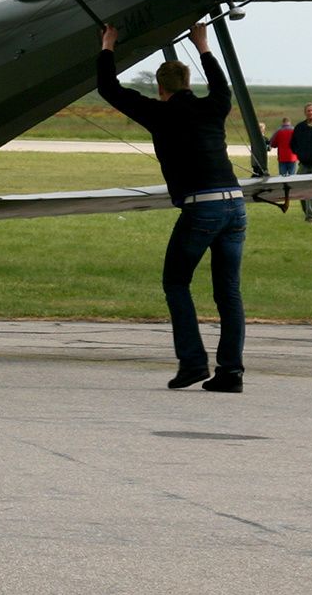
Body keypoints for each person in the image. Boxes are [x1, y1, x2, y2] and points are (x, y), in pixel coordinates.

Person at [97, 22, 245, 393]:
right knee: (228, 291)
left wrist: (108, 44)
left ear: (161, 88)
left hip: (201, 208)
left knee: (177, 283)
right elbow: (222, 86)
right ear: (188, 83)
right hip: (235, 204)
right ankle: (231, 372)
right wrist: (203, 45)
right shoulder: (214, 106)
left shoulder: (159, 113)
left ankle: (193, 362)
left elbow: (108, 88)